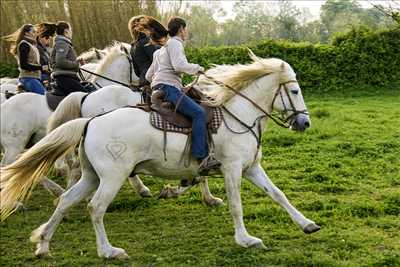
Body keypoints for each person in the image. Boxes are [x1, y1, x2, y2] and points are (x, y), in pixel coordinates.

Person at [145, 17, 221, 175]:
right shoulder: (175, 43)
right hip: (169, 88)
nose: (186, 32)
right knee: (199, 113)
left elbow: (148, 76)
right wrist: (198, 68)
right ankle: (202, 156)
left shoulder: (160, 50)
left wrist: (161, 78)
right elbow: (179, 65)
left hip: (159, 88)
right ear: (181, 29)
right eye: (186, 29)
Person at [2, 24, 49, 95]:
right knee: (44, 96)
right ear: (26, 33)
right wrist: (41, 67)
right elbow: (23, 65)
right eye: (33, 31)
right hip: (28, 78)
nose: (35, 34)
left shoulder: (32, 45)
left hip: (35, 77)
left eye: (35, 32)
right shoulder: (24, 44)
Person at [49, 21, 87, 96]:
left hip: (66, 77)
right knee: (85, 96)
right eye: (70, 30)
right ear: (66, 32)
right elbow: (61, 61)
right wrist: (76, 64)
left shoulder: (62, 43)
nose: (71, 32)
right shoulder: (62, 43)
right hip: (65, 78)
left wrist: (76, 62)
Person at [128, 15, 161, 87]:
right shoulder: (147, 41)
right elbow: (157, 61)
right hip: (154, 80)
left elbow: (136, 71)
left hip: (143, 82)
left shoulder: (133, 47)